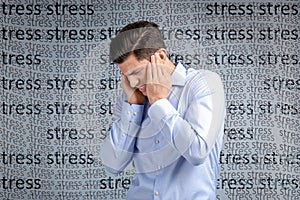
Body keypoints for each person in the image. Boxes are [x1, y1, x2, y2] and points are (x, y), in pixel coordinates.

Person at [100, 20, 225, 200]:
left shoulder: (204, 84)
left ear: (160, 56)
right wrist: (133, 107)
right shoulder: (132, 96)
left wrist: (158, 101)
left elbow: (197, 152)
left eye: (136, 73)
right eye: (126, 76)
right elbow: (112, 165)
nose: (133, 83)